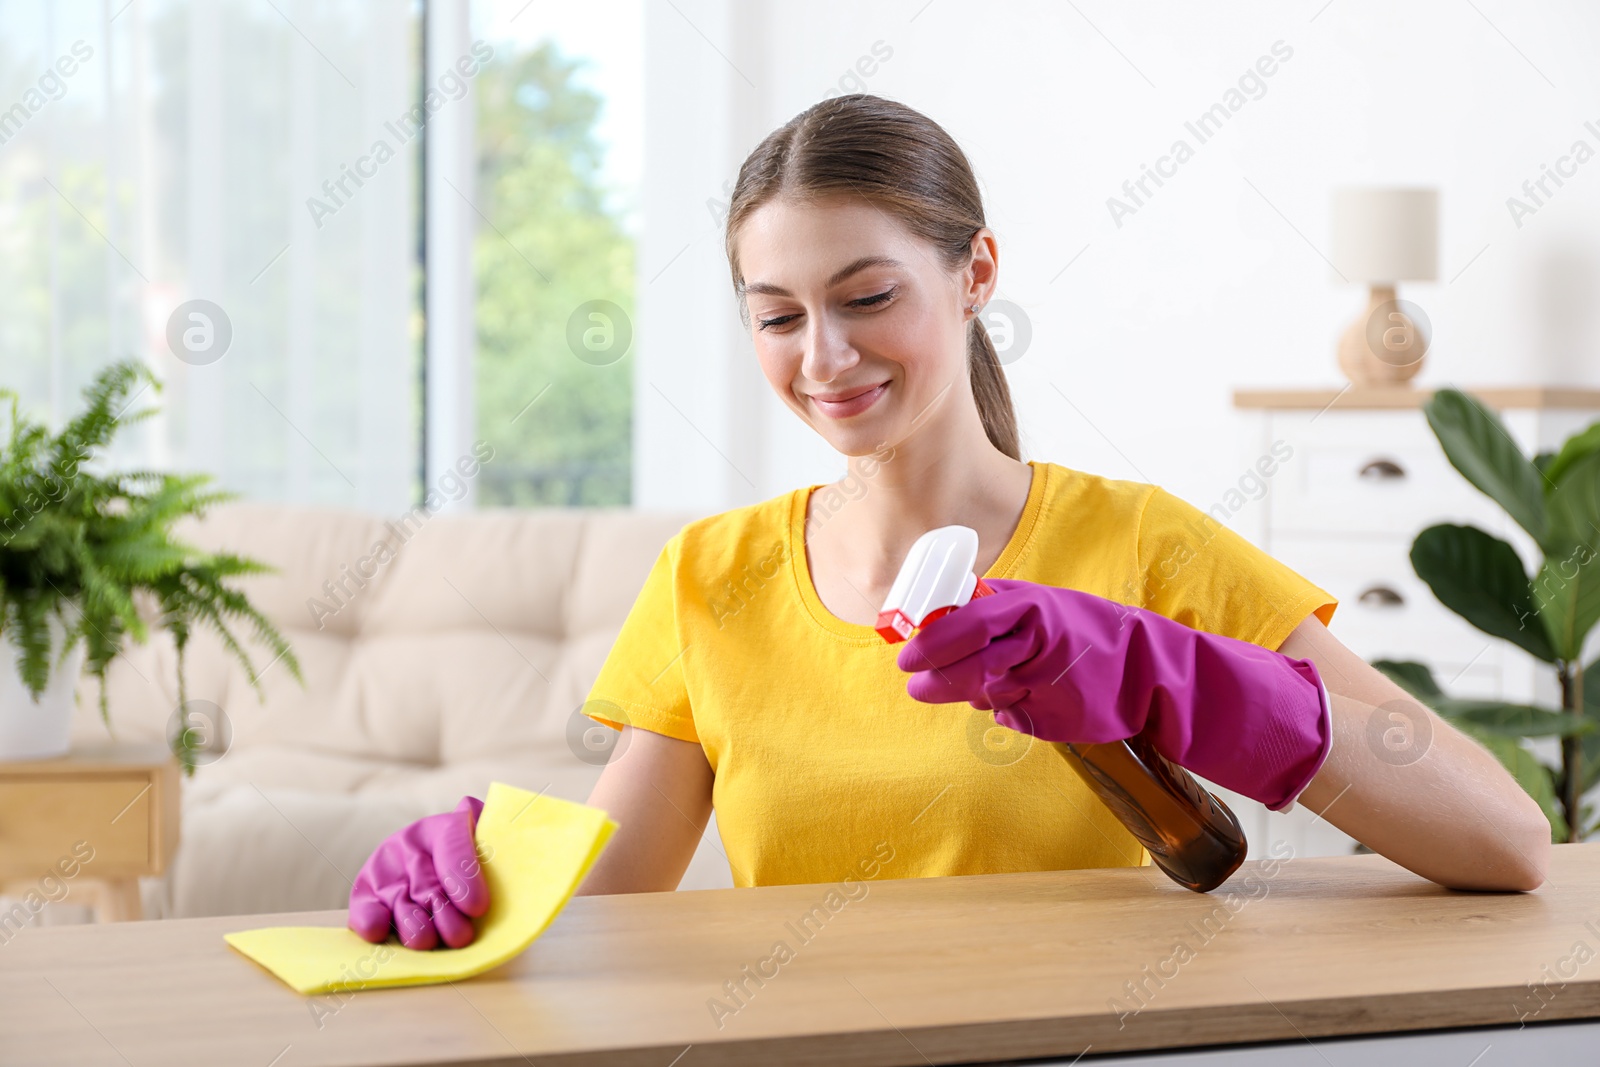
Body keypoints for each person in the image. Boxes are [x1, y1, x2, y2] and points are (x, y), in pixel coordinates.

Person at [349, 94, 1549, 951]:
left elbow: (1503, 838)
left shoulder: (1141, 542)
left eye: (868, 297)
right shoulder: (710, 574)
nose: (824, 356)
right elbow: (605, 902)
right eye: (775, 316)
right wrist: (477, 881)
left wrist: (1168, 674)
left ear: (975, 273)